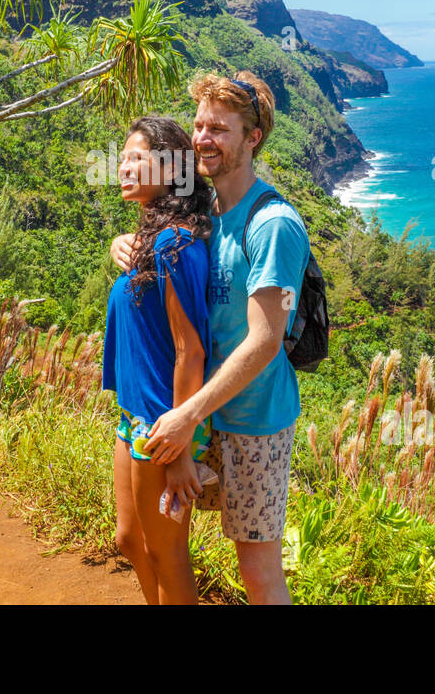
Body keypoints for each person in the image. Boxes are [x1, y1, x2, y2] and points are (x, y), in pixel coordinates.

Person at [109, 72, 310, 605]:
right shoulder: (208, 212)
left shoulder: (272, 225)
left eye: (219, 128)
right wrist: (123, 242)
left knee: (257, 568)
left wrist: (186, 415)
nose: (202, 138)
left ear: (253, 137)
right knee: (149, 541)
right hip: (198, 413)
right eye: (198, 124)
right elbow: (165, 246)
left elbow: (265, 341)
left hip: (250, 421)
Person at [102, 116, 215, 605]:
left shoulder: (176, 244)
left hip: (164, 425)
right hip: (136, 415)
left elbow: (191, 351)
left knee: (167, 551)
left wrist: (180, 447)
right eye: (121, 157)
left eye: (135, 158)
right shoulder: (153, 238)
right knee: (131, 540)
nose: (122, 166)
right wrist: (116, 248)